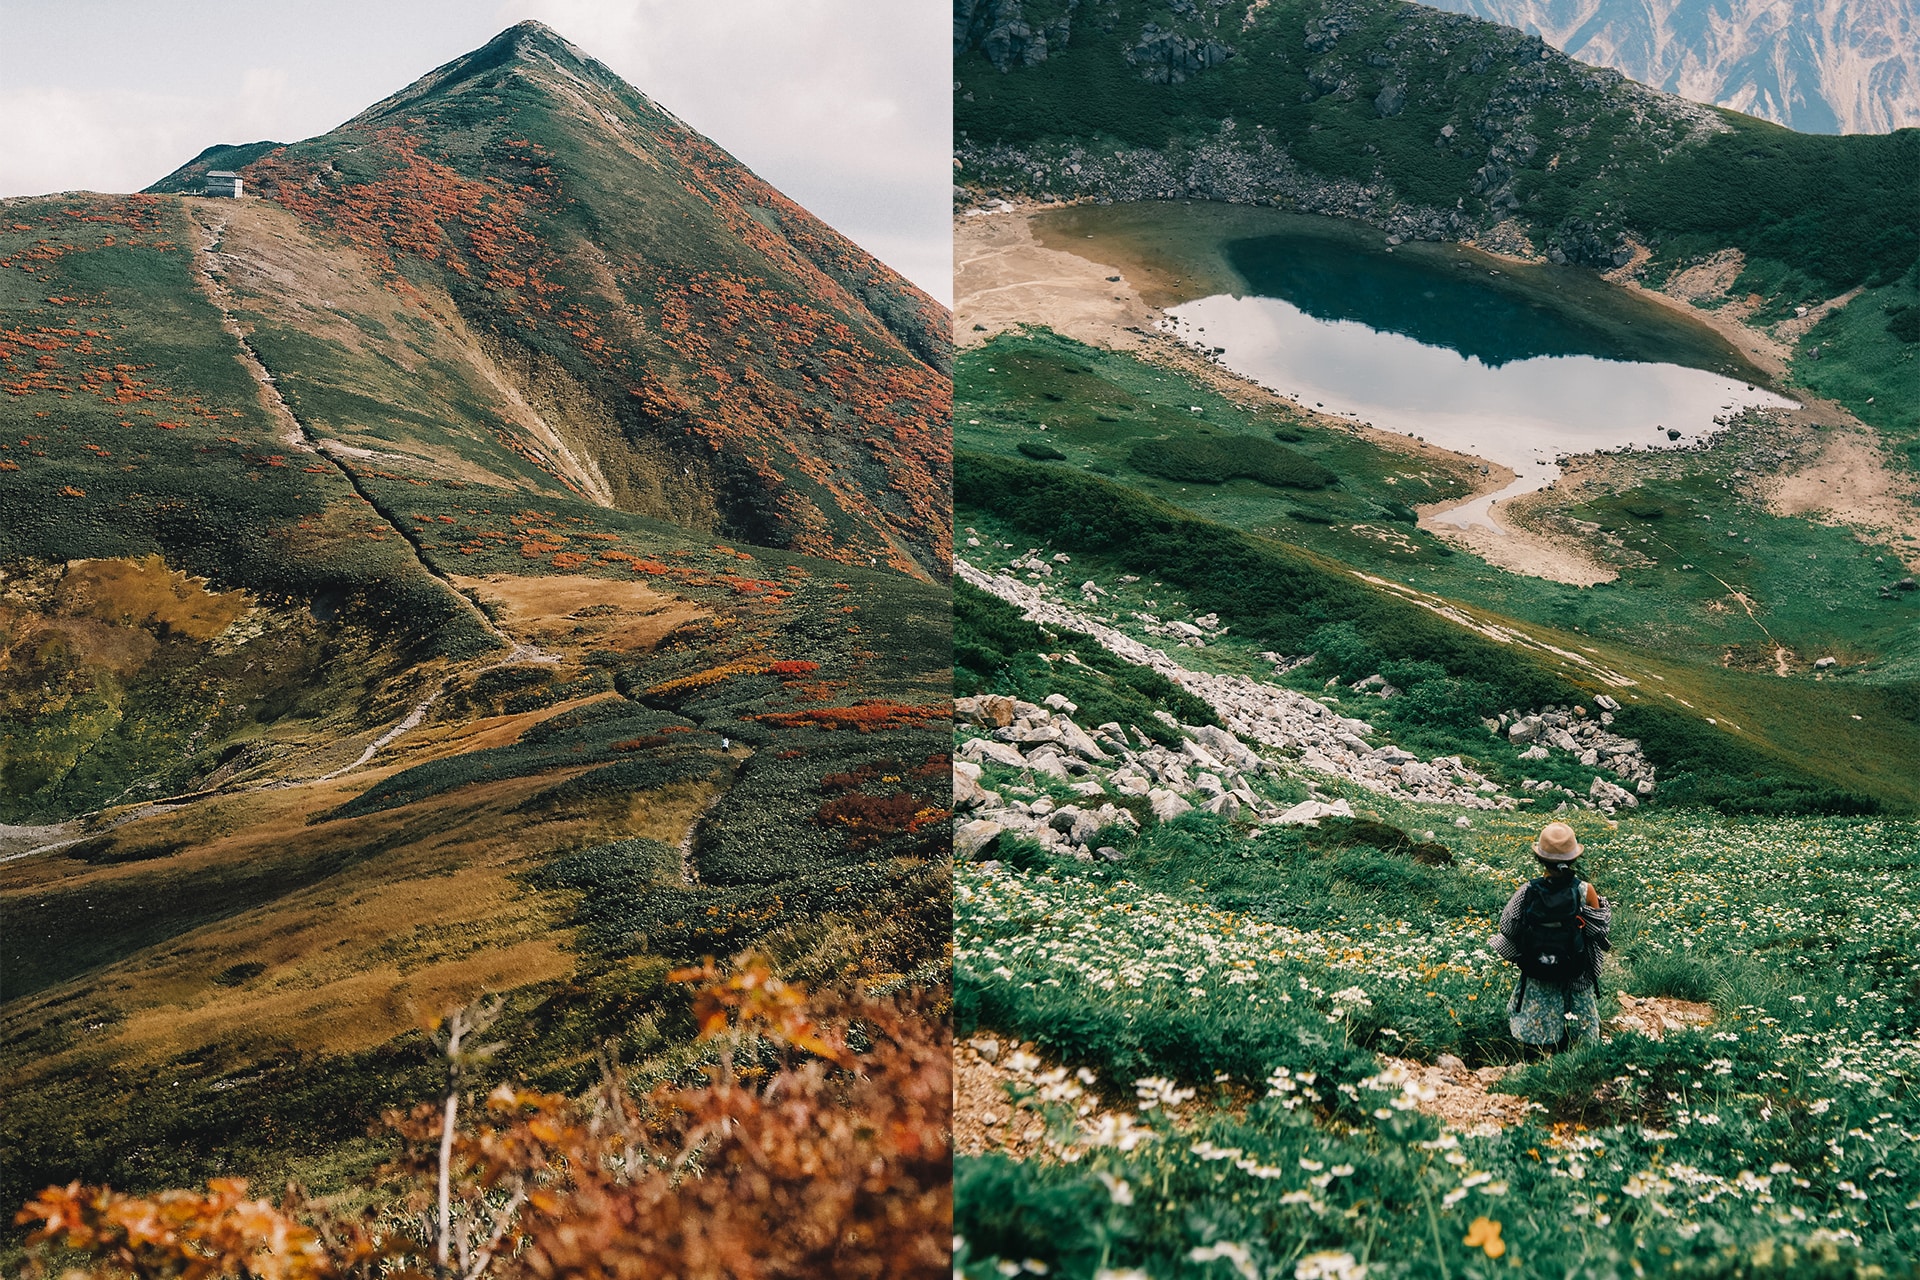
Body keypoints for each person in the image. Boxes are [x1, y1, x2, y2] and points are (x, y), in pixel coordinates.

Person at [1490, 821, 1611, 1056]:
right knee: (1580, 1020)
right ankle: (1579, 1052)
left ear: (1540, 859)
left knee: (1539, 1008)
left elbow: (1507, 927)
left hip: (1540, 968)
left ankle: (1537, 1052)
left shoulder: (1528, 891)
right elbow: (1599, 929)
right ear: (1574, 858)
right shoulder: (1585, 890)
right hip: (1576, 972)